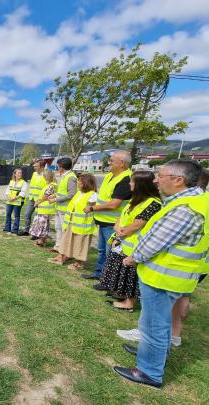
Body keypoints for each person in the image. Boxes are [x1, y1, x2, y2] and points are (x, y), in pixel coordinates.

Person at [113, 159, 209, 389]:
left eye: (161, 175)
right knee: (161, 322)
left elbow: (156, 242)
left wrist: (133, 257)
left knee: (153, 324)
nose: (156, 179)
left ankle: (149, 371)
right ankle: (153, 354)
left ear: (178, 180)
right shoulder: (197, 201)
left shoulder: (185, 209)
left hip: (164, 276)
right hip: (176, 275)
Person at [98, 171, 162, 311]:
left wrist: (122, 233)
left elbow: (137, 224)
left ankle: (129, 303)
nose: (129, 184)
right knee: (120, 270)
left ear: (140, 185)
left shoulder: (153, 203)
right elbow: (122, 217)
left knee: (130, 275)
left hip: (133, 245)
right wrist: (117, 229)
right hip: (123, 241)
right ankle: (120, 294)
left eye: (132, 182)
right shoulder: (135, 200)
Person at [82, 151, 132, 281]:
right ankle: (99, 273)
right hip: (102, 220)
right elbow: (104, 197)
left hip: (113, 223)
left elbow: (114, 204)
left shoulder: (126, 179)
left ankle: (108, 279)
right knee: (101, 250)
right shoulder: (110, 175)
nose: (108, 162)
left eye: (111, 160)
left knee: (111, 252)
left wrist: (92, 208)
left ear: (121, 163)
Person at [49, 173, 97, 270]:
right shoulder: (79, 193)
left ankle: (78, 263)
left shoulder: (93, 195)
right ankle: (62, 256)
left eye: (80, 181)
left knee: (80, 244)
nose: (78, 182)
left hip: (83, 225)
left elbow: (93, 208)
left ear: (86, 183)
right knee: (67, 241)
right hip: (72, 223)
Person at [47, 157, 77, 252]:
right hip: (59, 207)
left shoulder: (71, 177)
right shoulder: (64, 176)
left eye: (58, 166)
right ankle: (58, 246)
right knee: (58, 228)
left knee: (65, 230)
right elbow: (62, 191)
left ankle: (64, 250)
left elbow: (71, 194)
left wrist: (55, 199)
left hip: (65, 209)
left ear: (61, 167)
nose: (57, 168)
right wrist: (53, 195)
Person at [19, 159, 47, 237]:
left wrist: (42, 199)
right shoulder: (34, 174)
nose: (34, 167)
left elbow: (49, 187)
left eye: (36, 166)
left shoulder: (46, 175)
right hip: (32, 198)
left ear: (42, 167)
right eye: (34, 166)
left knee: (38, 217)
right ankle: (26, 230)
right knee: (27, 214)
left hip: (40, 200)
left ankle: (36, 234)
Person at [29, 169, 56, 247]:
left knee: (42, 225)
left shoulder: (52, 185)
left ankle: (41, 241)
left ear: (48, 176)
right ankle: (41, 241)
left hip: (46, 208)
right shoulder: (49, 184)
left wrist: (37, 202)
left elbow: (46, 196)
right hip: (43, 208)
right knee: (42, 225)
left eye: (44, 176)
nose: (43, 178)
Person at [3, 168, 28, 234]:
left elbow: (23, 192)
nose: (20, 174)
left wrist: (15, 198)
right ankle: (7, 228)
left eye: (21, 173)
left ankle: (15, 229)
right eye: (18, 173)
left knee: (16, 215)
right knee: (8, 214)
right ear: (15, 174)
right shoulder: (11, 181)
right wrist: (9, 197)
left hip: (18, 201)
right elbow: (7, 191)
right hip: (10, 201)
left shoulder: (24, 183)